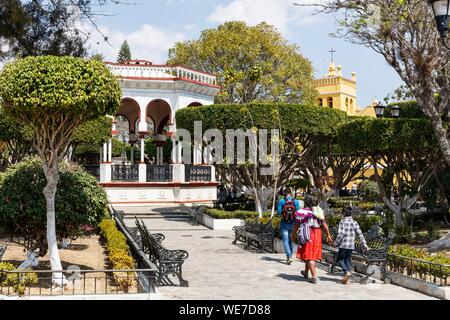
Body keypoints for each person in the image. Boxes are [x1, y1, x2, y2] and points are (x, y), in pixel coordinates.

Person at [292, 195, 333, 284]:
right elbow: (324, 224)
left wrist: (293, 234)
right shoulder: (318, 211)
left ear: (305, 202)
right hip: (317, 233)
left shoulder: (302, 212)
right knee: (309, 253)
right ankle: (306, 273)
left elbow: (296, 225)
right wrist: (328, 235)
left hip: (307, 233)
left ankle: (314, 276)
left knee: (309, 256)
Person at [333, 206, 370, 284]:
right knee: (347, 260)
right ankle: (347, 277)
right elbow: (360, 234)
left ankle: (347, 272)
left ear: (343, 213)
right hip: (351, 246)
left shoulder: (342, 221)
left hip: (344, 245)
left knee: (339, 259)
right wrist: (365, 245)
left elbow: (341, 234)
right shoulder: (355, 222)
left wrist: (335, 243)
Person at [277, 189, 301, 265]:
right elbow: (298, 212)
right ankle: (290, 256)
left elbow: (278, 212)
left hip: (284, 223)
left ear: (284, 194)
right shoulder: (296, 201)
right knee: (291, 240)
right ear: (291, 193)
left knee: (285, 240)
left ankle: (289, 256)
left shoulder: (281, 201)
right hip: (293, 223)